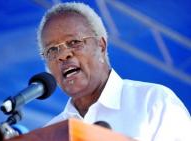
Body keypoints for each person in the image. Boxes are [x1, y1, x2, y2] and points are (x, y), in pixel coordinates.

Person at [37, 2, 191, 141]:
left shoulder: (153, 101)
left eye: (74, 42)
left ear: (101, 46)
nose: (63, 55)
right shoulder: (50, 133)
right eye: (52, 50)